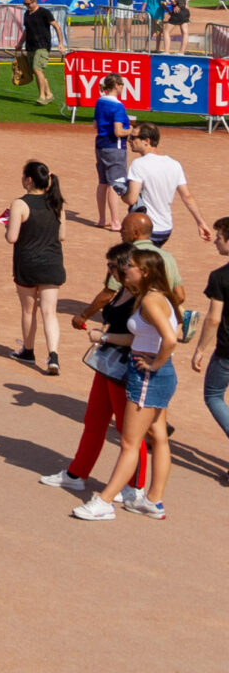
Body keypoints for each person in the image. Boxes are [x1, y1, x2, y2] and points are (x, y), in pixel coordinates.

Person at [43, 231, 169, 499]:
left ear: (127, 267)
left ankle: (135, 486)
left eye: (113, 265)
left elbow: (147, 336)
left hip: (127, 367)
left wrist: (105, 336)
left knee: (129, 431)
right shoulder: (122, 291)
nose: (109, 270)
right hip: (108, 364)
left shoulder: (142, 297)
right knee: (94, 420)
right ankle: (77, 473)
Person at [71, 245, 185, 521]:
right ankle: (153, 501)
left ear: (144, 272)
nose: (124, 270)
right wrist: (105, 338)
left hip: (147, 375)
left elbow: (171, 339)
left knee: (130, 443)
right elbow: (142, 338)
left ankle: (105, 501)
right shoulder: (154, 297)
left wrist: (153, 364)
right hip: (157, 374)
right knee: (158, 438)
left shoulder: (149, 301)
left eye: (129, 266)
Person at [8, 161, 68, 375]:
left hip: (27, 263)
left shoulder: (20, 204)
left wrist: (8, 224)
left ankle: (29, 351)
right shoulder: (57, 203)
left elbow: (12, 237)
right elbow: (62, 235)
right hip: (52, 263)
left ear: (29, 180)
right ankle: (53, 355)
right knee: (49, 312)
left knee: (28, 310)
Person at [125, 124, 210, 248]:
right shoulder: (174, 164)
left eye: (133, 137)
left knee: (130, 264)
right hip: (165, 229)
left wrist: (122, 192)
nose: (129, 140)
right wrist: (200, 223)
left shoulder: (138, 164)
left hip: (145, 230)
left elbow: (131, 199)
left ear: (147, 141)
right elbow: (187, 196)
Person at [194, 216, 229, 454]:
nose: (216, 241)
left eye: (219, 237)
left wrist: (200, 349)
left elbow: (214, 318)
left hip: (226, 351)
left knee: (214, 395)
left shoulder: (220, 277)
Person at [93, 74, 133, 231]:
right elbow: (118, 131)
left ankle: (102, 219)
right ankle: (116, 222)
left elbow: (95, 125)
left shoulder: (100, 101)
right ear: (116, 85)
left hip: (100, 145)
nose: (123, 87)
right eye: (122, 84)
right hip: (114, 148)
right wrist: (130, 130)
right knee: (114, 184)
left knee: (103, 182)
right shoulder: (117, 106)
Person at [18, 0, 62, 107]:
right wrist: (19, 44)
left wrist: (61, 43)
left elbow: (57, 27)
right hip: (30, 46)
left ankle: (42, 96)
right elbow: (26, 31)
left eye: (28, 4)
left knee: (37, 69)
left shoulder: (44, 12)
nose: (27, 6)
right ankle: (49, 95)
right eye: (25, 4)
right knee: (38, 72)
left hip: (42, 46)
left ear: (35, 1)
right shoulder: (26, 14)